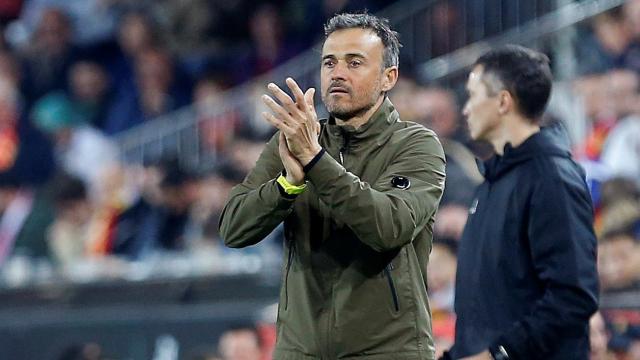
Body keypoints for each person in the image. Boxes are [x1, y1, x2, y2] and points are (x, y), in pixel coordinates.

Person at [219, 12, 446, 360]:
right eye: (329, 63)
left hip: (387, 351)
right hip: (301, 350)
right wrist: (287, 185)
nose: (337, 73)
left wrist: (315, 161)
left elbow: (388, 227)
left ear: (389, 77)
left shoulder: (415, 145)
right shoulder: (296, 139)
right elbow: (233, 228)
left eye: (354, 62)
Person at [441, 45, 599, 360]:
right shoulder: (491, 182)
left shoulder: (551, 177)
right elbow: (485, 307)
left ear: (503, 101)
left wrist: (499, 354)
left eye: (473, 96)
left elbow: (572, 297)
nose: (466, 109)